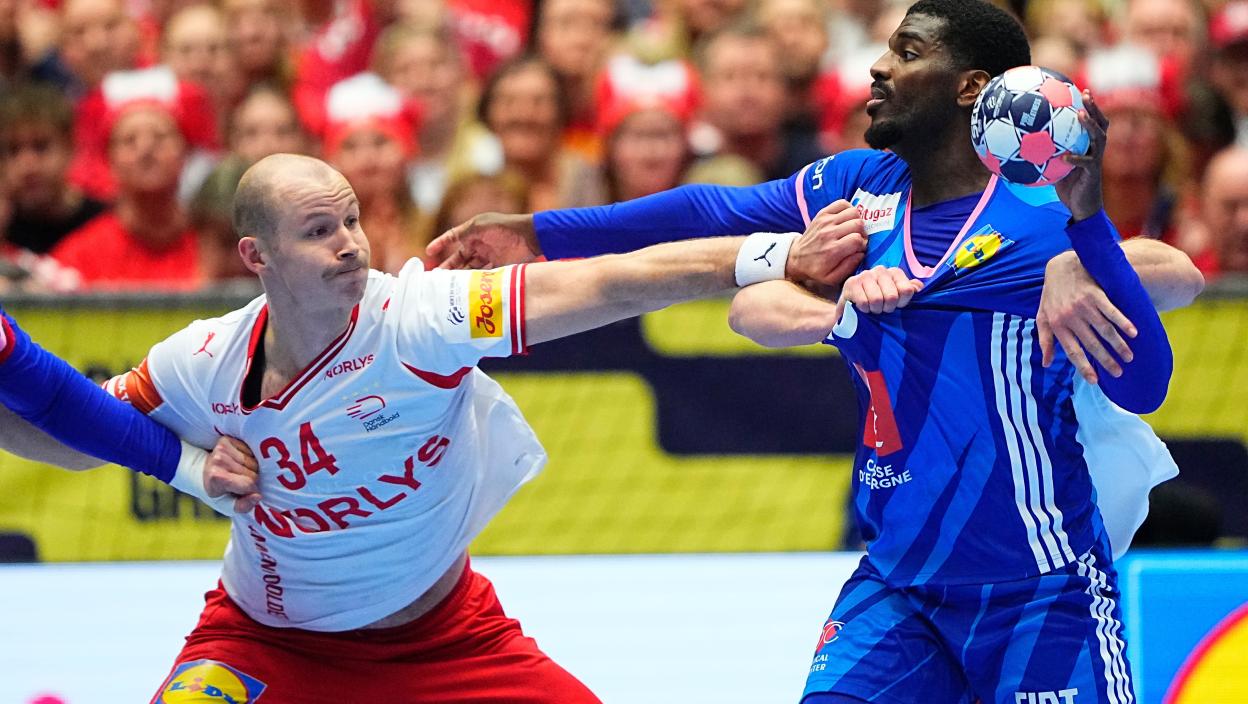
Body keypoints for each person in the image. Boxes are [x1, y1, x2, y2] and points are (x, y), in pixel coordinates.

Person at [428, 2, 1206, 701]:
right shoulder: (860, 185)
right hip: (897, 586)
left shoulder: (1040, 215)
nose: (878, 66)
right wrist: (538, 234)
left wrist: (1085, 249)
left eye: (907, 52)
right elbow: (709, 210)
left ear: (971, 87)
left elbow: (1148, 378)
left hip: (1038, 590)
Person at [0, 151, 862, 701]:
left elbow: (608, 282)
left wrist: (773, 255)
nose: (350, 244)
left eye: (351, 219)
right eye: (317, 231)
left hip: (446, 639)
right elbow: (67, 440)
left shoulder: (422, 318)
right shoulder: (202, 361)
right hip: (266, 642)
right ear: (256, 257)